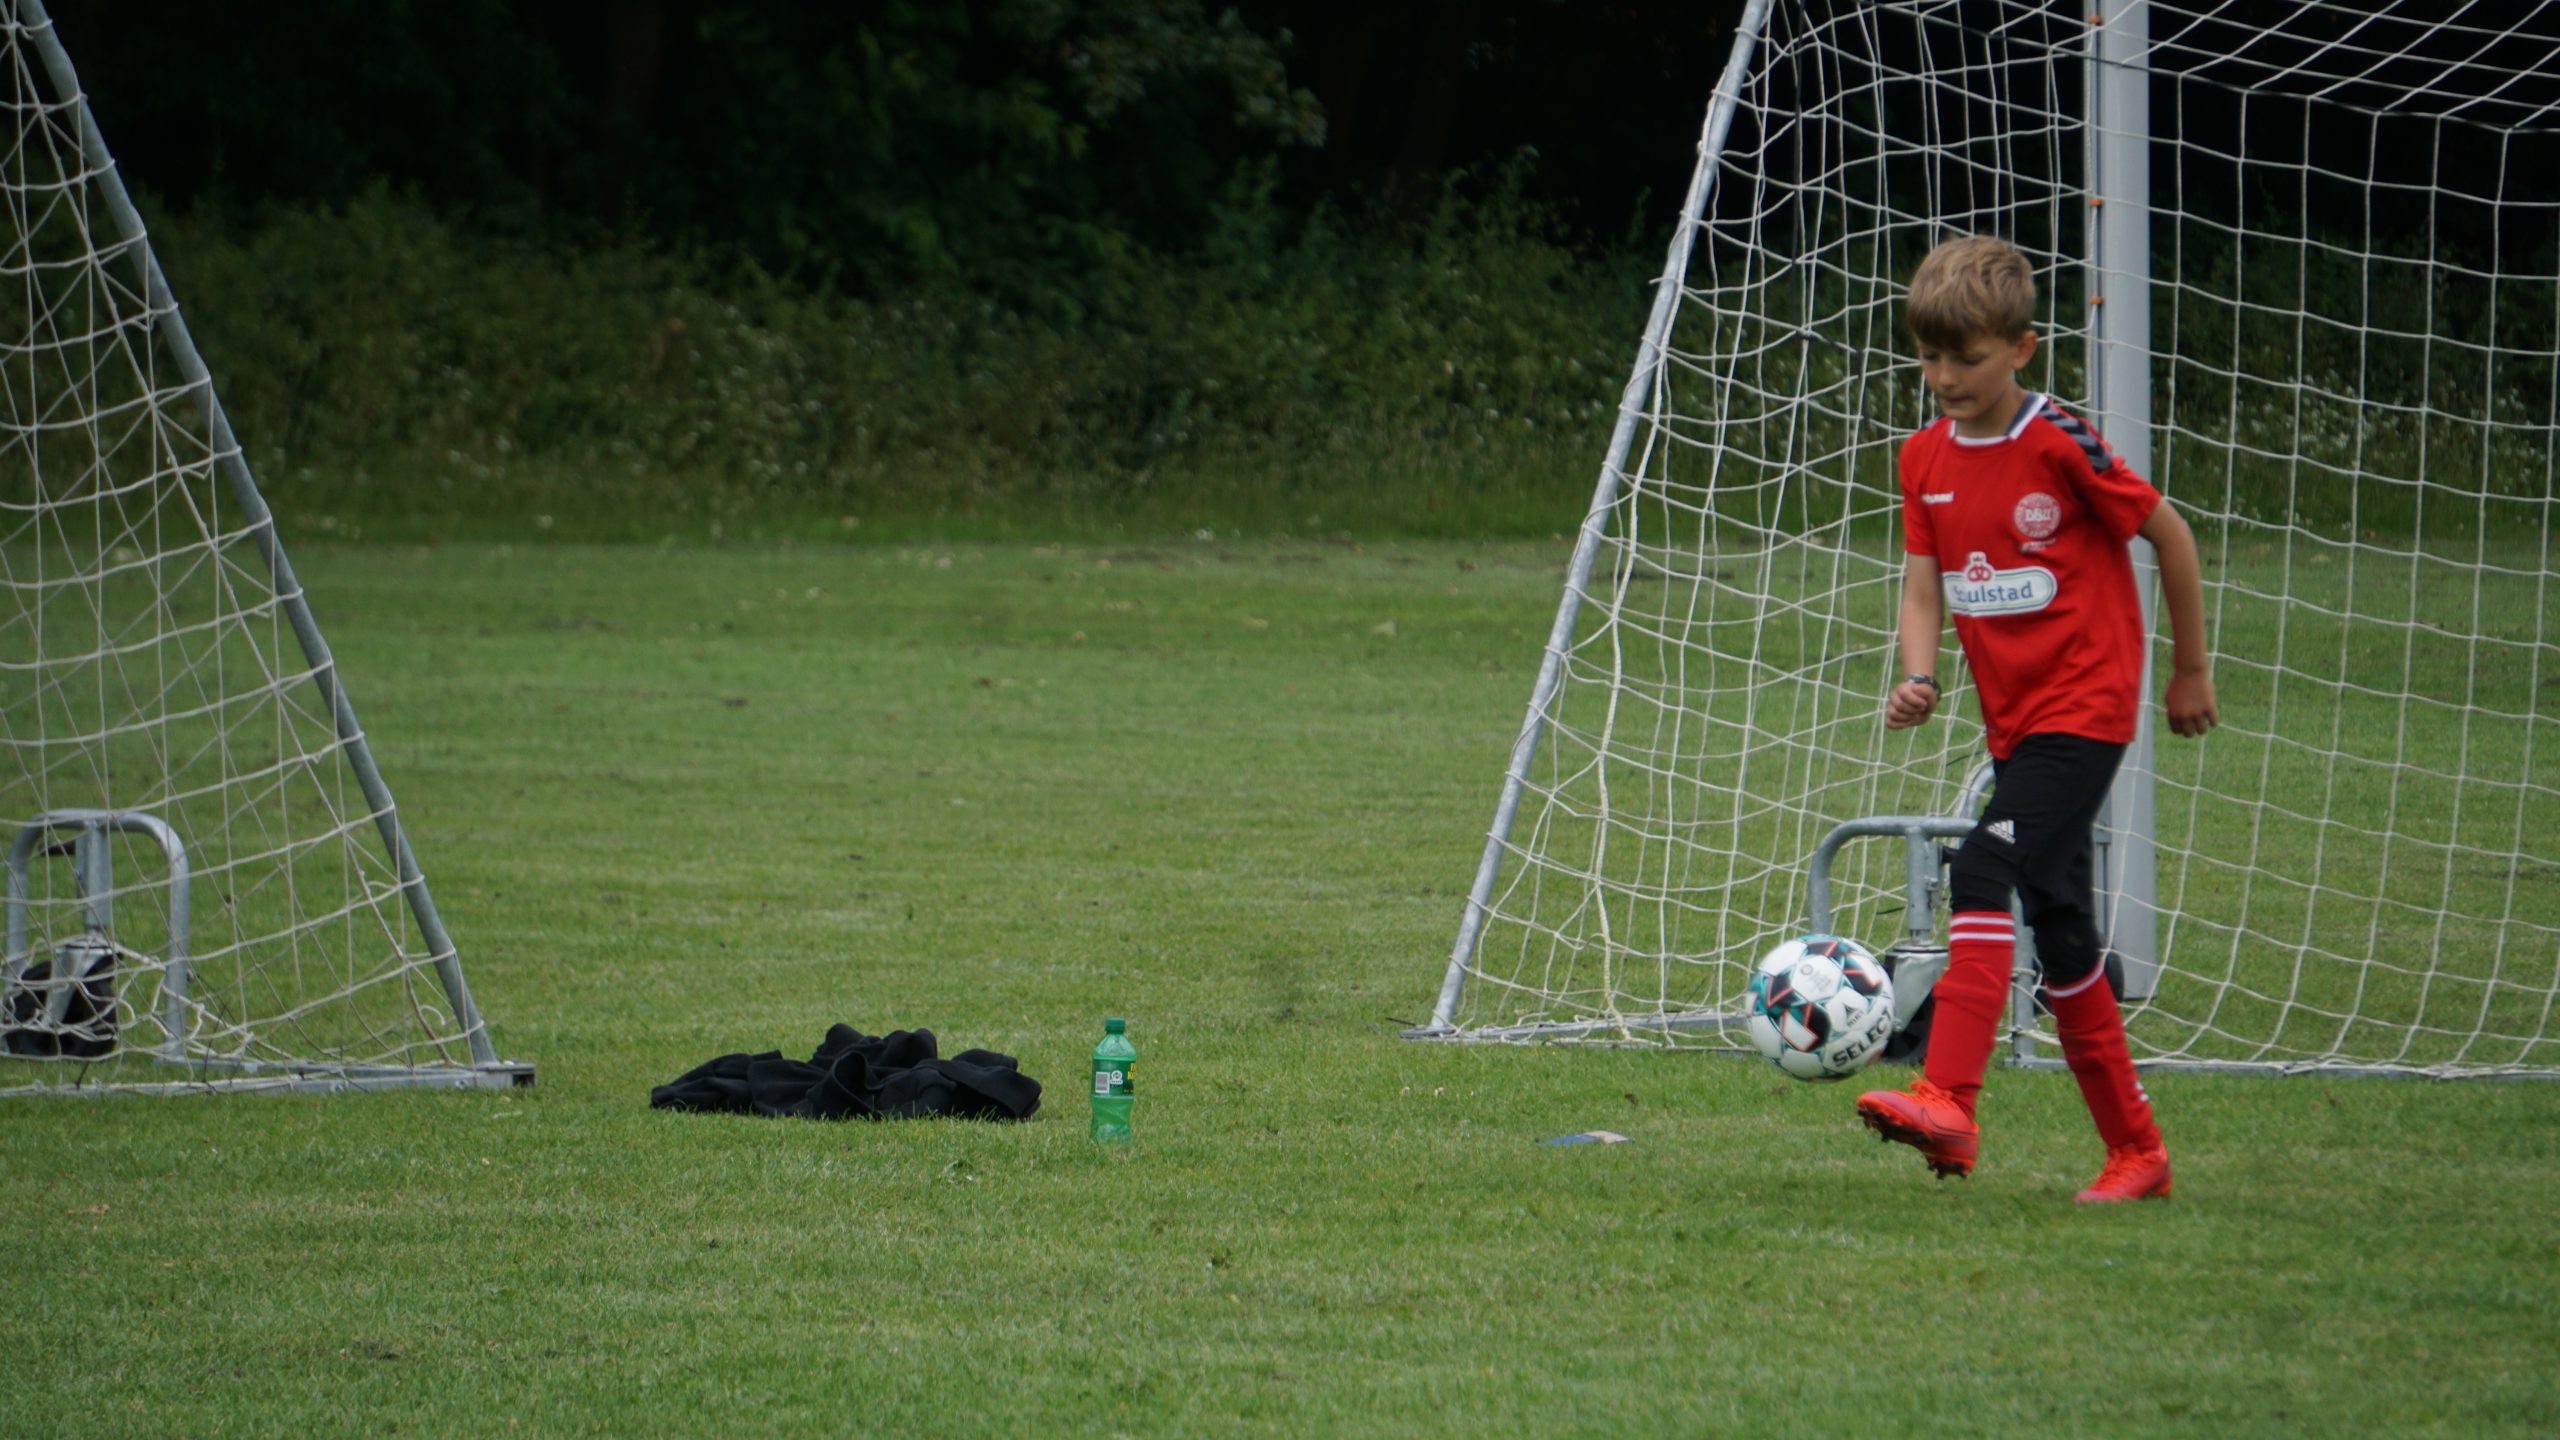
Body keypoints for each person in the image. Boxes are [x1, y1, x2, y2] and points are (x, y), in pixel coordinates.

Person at [1854, 234, 2217, 1204]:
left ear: (2019, 348)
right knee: (2061, 932)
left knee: (1979, 866)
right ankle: (2136, 1153)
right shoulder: (1921, 458)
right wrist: (1919, 675)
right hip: (2012, 726)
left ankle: (1949, 1096)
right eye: (1927, 358)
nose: (1943, 378)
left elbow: (2167, 533)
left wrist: (2188, 668)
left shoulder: (2056, 442)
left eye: (1964, 359)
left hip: (2087, 708)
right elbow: (1922, 586)